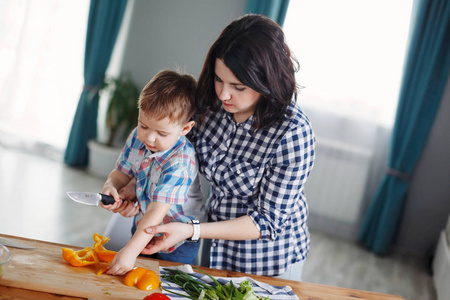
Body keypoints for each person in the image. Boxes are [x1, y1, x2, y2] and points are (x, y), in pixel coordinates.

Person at [126, 14, 315, 281]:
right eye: (218, 79)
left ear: (268, 82)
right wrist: (133, 189)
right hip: (211, 245)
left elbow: (267, 221)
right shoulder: (209, 106)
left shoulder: (293, 132)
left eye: (238, 86)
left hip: (266, 259)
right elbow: (169, 157)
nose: (224, 94)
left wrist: (192, 231)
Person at [100, 70, 206, 275]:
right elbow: (122, 172)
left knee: (171, 282)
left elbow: (158, 211)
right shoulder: (138, 137)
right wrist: (111, 186)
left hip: (178, 239)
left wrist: (131, 249)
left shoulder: (181, 161)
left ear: (185, 129)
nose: (149, 138)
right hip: (143, 224)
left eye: (162, 133)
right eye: (143, 125)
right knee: (136, 277)